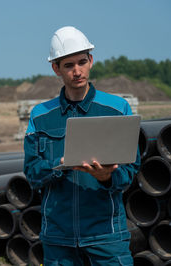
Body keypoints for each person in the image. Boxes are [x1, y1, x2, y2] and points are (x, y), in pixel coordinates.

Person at [23, 26, 141, 265]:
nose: (77, 71)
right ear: (56, 68)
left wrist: (107, 176)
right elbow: (32, 172)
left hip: (106, 235)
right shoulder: (40, 116)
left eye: (82, 62)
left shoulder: (117, 109)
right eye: (68, 65)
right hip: (58, 237)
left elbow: (130, 171)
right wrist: (59, 165)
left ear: (91, 61)